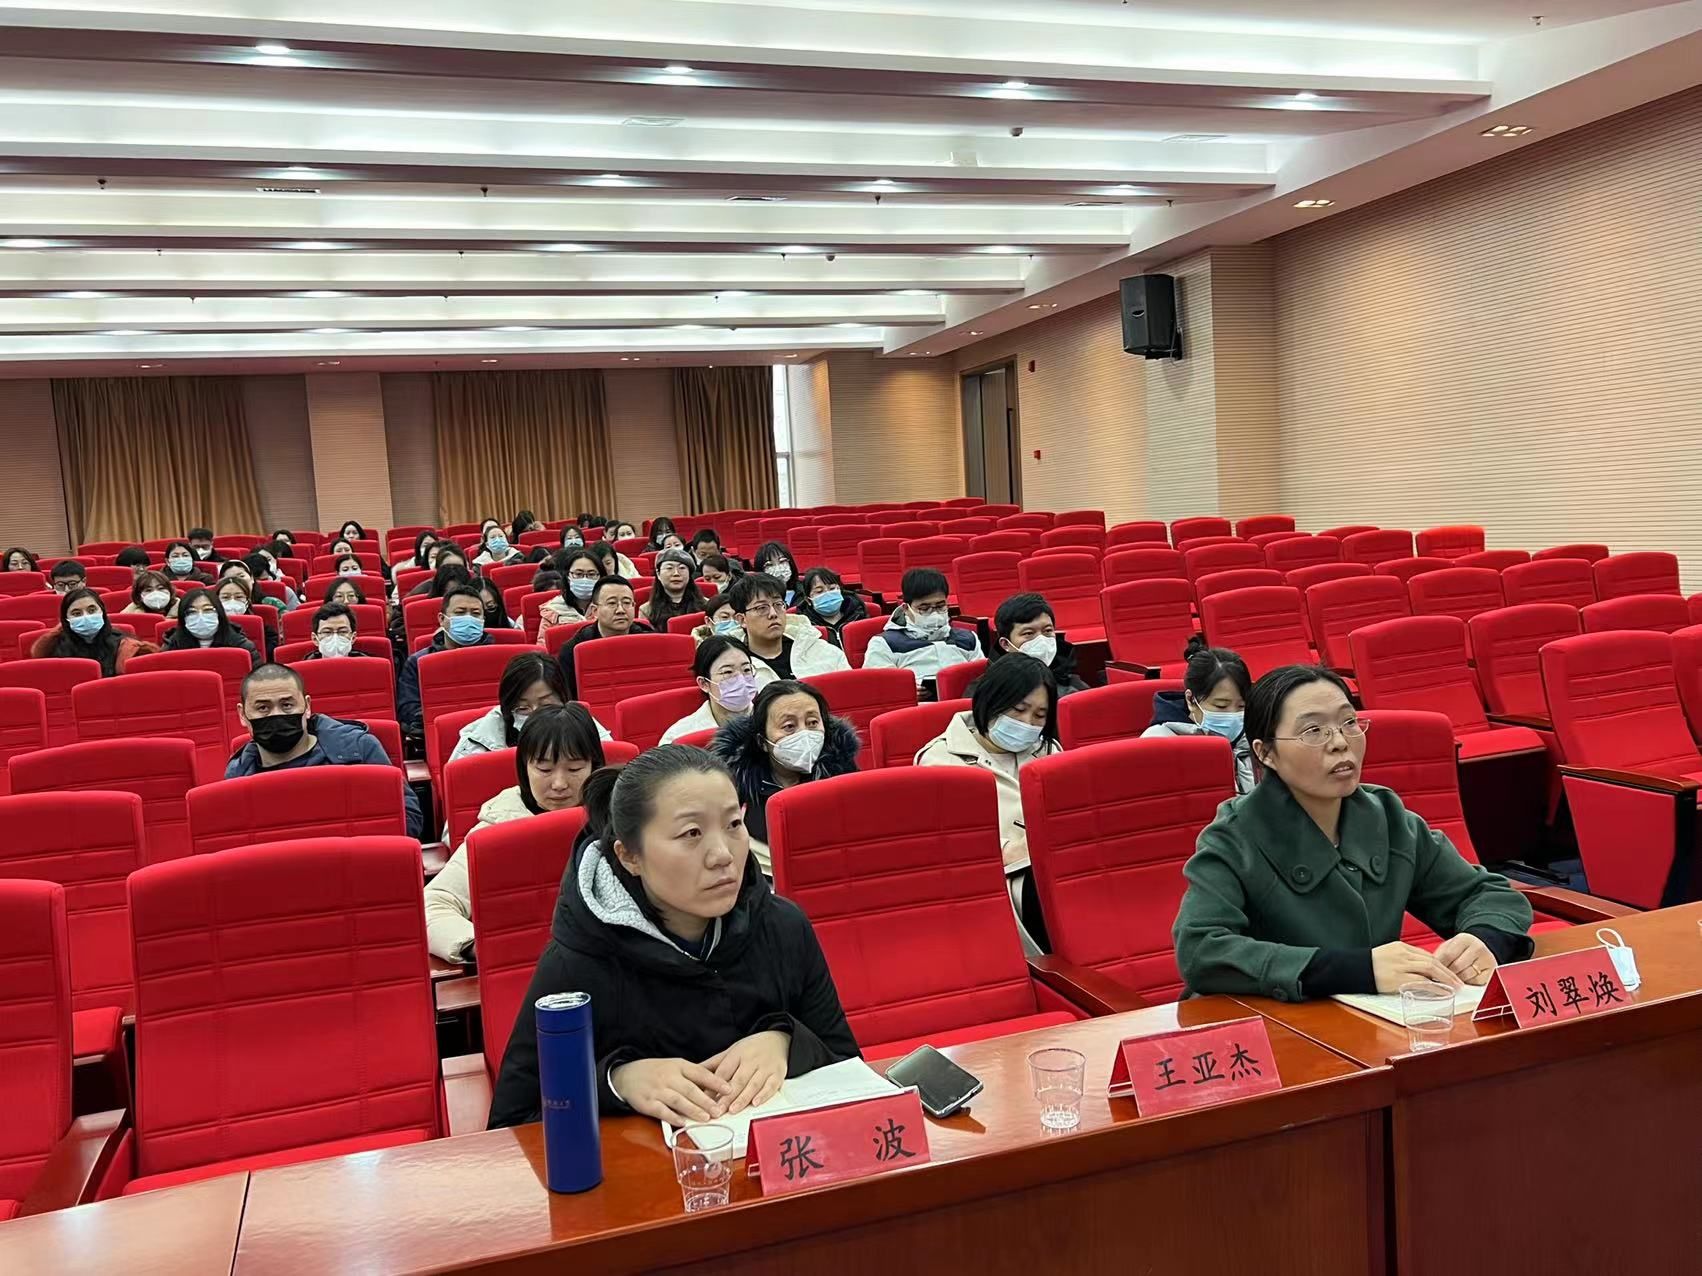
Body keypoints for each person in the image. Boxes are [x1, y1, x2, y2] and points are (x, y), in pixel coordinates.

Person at [488, 745, 859, 1127]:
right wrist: (616, 1081)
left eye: (733, 824)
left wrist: (786, 1042)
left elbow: (849, 1066)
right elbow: (512, 1124)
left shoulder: (783, 927)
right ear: (630, 856)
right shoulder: (576, 962)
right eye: (691, 833)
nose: (723, 855)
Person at [1174, 665, 1535, 1001]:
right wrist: (1354, 970)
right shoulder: (1235, 836)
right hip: (1269, 1023)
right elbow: (1201, 950)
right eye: (1313, 731)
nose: (1339, 742)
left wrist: (1483, 938)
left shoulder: (1388, 819)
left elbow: (1488, 894)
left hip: (1373, 1022)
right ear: (1266, 753)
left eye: (1349, 722)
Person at [426, 704, 607, 963]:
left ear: (594, 766)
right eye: (544, 770)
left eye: (575, 769)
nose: (559, 784)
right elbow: (434, 904)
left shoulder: (617, 820)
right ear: (524, 768)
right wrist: (482, 948)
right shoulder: (497, 830)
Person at [227, 663, 424, 839]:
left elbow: (408, 818)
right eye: (263, 708)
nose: (276, 715)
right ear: (243, 715)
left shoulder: (359, 749)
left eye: (287, 705)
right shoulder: (237, 775)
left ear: (307, 707)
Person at [916, 653, 1061, 870]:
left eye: (1040, 715)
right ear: (991, 700)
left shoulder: (1048, 750)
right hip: (992, 874)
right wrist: (1011, 850)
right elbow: (950, 842)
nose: (1027, 723)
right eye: (1019, 710)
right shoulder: (940, 761)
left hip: (1056, 865)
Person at [709, 679, 860, 877]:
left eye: (812, 723)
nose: (804, 734)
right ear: (762, 742)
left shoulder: (844, 774)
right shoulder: (733, 789)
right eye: (789, 726)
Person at [448, 652, 611, 764]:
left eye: (546, 705)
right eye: (523, 708)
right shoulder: (478, 744)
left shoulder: (583, 723)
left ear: (564, 699)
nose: (535, 715)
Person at [1142, 637, 1255, 793]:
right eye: (1221, 706)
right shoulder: (1156, 744)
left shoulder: (1255, 737)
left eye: (1241, 706)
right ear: (1190, 700)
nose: (1233, 715)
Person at [398, 586, 494, 737]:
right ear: (442, 619)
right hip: (440, 734)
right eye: (460, 613)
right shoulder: (418, 662)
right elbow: (408, 709)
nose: (468, 619)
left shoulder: (499, 659)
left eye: (476, 614)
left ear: (483, 620)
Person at [863, 567, 978, 689]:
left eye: (940, 606)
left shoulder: (968, 638)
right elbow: (877, 688)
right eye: (924, 608)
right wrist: (908, 691)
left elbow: (982, 680)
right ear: (906, 608)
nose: (934, 613)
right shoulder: (884, 644)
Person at [724, 574, 848, 684]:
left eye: (778, 604)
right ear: (742, 620)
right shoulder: (729, 666)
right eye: (761, 608)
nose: (773, 614)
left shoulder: (823, 651)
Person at [554, 577, 655, 698]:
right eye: (612, 603)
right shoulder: (572, 651)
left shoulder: (650, 642)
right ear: (595, 610)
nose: (620, 610)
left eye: (627, 603)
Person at [30, 588, 157, 675]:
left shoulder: (124, 647)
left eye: (92, 610)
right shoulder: (54, 648)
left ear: (102, 612)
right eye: (76, 613)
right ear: (66, 620)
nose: (86, 617)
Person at [990, 592, 1089, 696]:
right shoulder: (993, 691)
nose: (1041, 640)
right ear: (1005, 644)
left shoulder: (1072, 683)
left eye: (1047, 630)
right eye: (1028, 633)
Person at [662, 637, 757, 745]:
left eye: (746, 670)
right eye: (727, 672)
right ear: (704, 683)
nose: (741, 680)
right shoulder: (679, 737)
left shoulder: (769, 722)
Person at [163, 587, 261, 668]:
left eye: (208, 610)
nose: (200, 616)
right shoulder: (171, 647)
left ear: (219, 613)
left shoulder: (242, 646)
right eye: (191, 612)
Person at [795, 566, 868, 647]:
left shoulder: (859, 615)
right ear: (808, 600)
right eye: (819, 591)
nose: (827, 594)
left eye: (832, 588)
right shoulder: (804, 626)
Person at [538, 548, 603, 637]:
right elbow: (544, 643)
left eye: (591, 574)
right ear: (568, 577)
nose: (585, 579)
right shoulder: (553, 610)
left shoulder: (610, 606)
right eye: (578, 574)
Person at [641, 549, 707, 631]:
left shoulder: (706, 605)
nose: (676, 573)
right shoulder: (646, 610)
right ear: (658, 574)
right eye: (669, 568)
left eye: (682, 568)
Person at [215, 575, 277, 658]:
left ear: (247, 601)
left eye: (239, 597)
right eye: (225, 597)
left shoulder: (264, 629)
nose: (232, 601)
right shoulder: (210, 627)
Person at [300, 602, 368, 660]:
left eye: (343, 631)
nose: (335, 638)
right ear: (315, 639)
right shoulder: (301, 670)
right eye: (327, 632)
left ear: (353, 637)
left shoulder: (368, 667)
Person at [752, 541, 801, 605]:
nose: (778, 568)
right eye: (769, 565)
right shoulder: (755, 598)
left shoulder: (804, 591)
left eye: (782, 561)